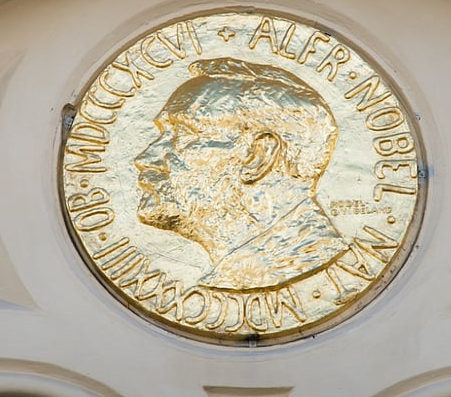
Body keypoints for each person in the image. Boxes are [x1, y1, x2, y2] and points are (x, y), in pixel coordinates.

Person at [134, 57, 347, 290]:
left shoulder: (289, 261)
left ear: (258, 155)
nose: (143, 159)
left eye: (183, 134)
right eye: (163, 134)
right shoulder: (244, 269)